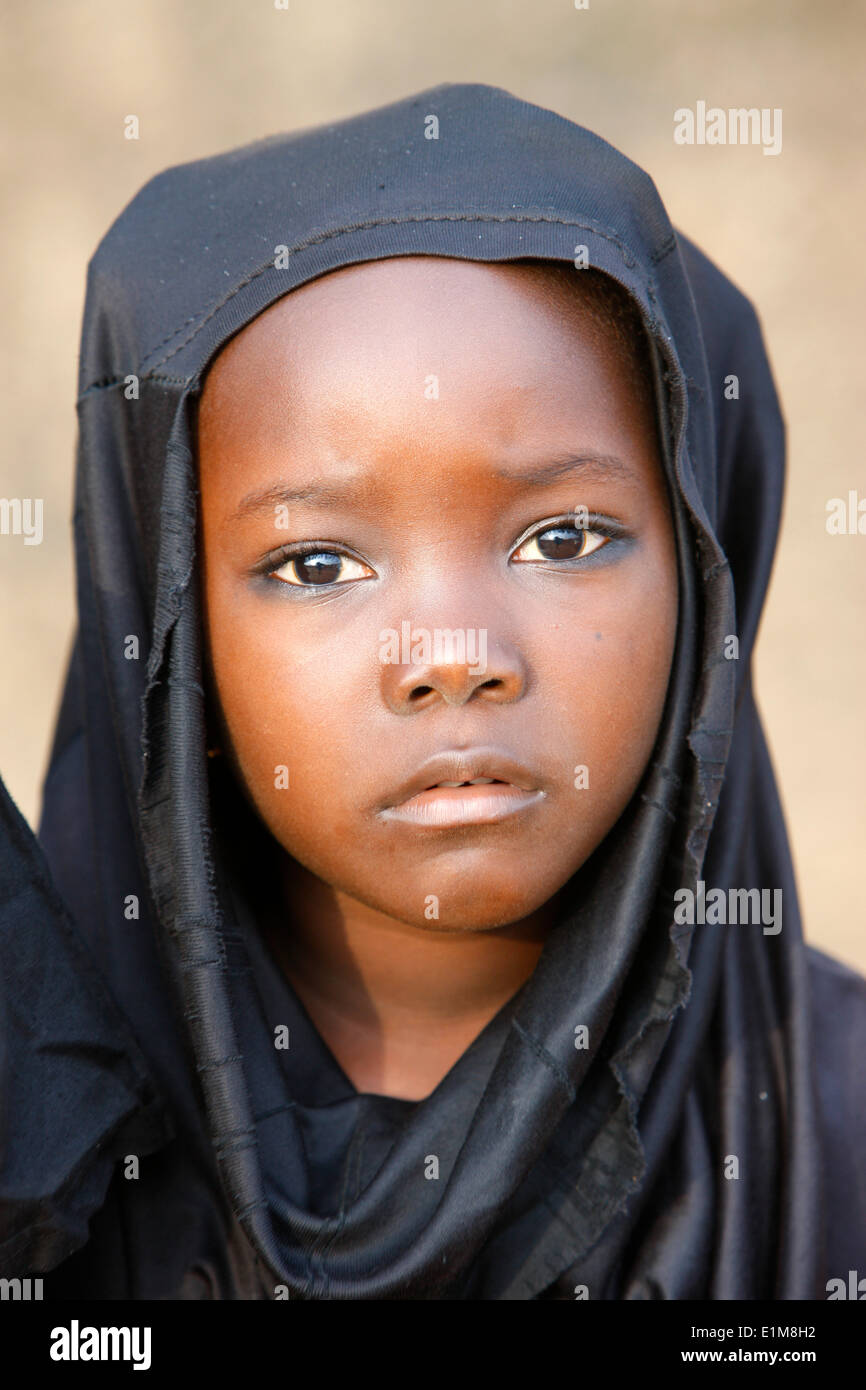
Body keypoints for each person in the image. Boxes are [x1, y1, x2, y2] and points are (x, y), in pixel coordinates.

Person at [1, 81, 863, 1299]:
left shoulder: (837, 1132)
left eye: (563, 538)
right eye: (315, 565)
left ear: (703, 574)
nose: (455, 652)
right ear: (167, 623)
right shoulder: (38, 1159)